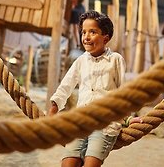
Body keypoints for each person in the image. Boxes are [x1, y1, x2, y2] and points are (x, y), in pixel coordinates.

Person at [48, 10, 141, 167]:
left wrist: (127, 119)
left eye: (92, 32)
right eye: (84, 32)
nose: (86, 37)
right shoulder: (80, 61)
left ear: (106, 38)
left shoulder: (115, 60)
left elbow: (124, 92)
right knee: (67, 164)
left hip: (105, 125)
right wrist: (53, 109)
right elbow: (66, 86)